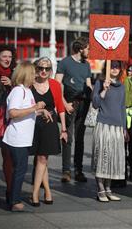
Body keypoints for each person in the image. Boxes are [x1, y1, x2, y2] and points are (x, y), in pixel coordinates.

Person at [2, 62, 51, 212]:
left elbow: (26, 112)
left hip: (23, 138)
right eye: (33, 73)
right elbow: (13, 113)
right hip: (17, 138)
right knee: (20, 170)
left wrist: (39, 112)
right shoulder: (18, 91)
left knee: (19, 169)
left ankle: (12, 197)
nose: (36, 75)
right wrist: (35, 107)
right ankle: (15, 201)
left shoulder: (27, 91)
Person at [29, 57, 68, 206]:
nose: (44, 71)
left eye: (47, 68)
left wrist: (64, 129)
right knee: (40, 159)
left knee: (42, 158)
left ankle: (35, 193)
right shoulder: (29, 83)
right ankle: (48, 190)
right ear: (36, 68)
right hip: (32, 124)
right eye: (40, 68)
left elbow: (61, 107)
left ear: (51, 70)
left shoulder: (55, 84)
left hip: (50, 124)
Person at [55, 36, 93, 183]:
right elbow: (57, 85)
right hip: (69, 103)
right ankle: (66, 171)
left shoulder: (86, 65)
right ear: (81, 49)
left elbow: (88, 84)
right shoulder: (65, 62)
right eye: (88, 48)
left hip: (83, 103)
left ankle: (79, 170)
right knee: (67, 138)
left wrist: (99, 91)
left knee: (80, 139)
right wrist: (64, 104)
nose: (89, 51)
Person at [91, 61, 128, 202]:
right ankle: (100, 189)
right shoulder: (100, 83)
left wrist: (124, 128)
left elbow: (122, 108)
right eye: (112, 66)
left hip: (117, 127)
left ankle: (108, 189)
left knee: (113, 159)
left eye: (117, 67)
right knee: (103, 158)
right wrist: (104, 90)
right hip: (103, 125)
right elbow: (95, 103)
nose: (114, 69)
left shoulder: (122, 86)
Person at [0, 45, 16, 203]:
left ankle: (9, 190)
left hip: (8, 121)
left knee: (8, 157)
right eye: (4, 56)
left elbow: (23, 93)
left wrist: (11, 85)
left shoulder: (15, 74)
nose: (7, 59)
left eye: (10, 56)